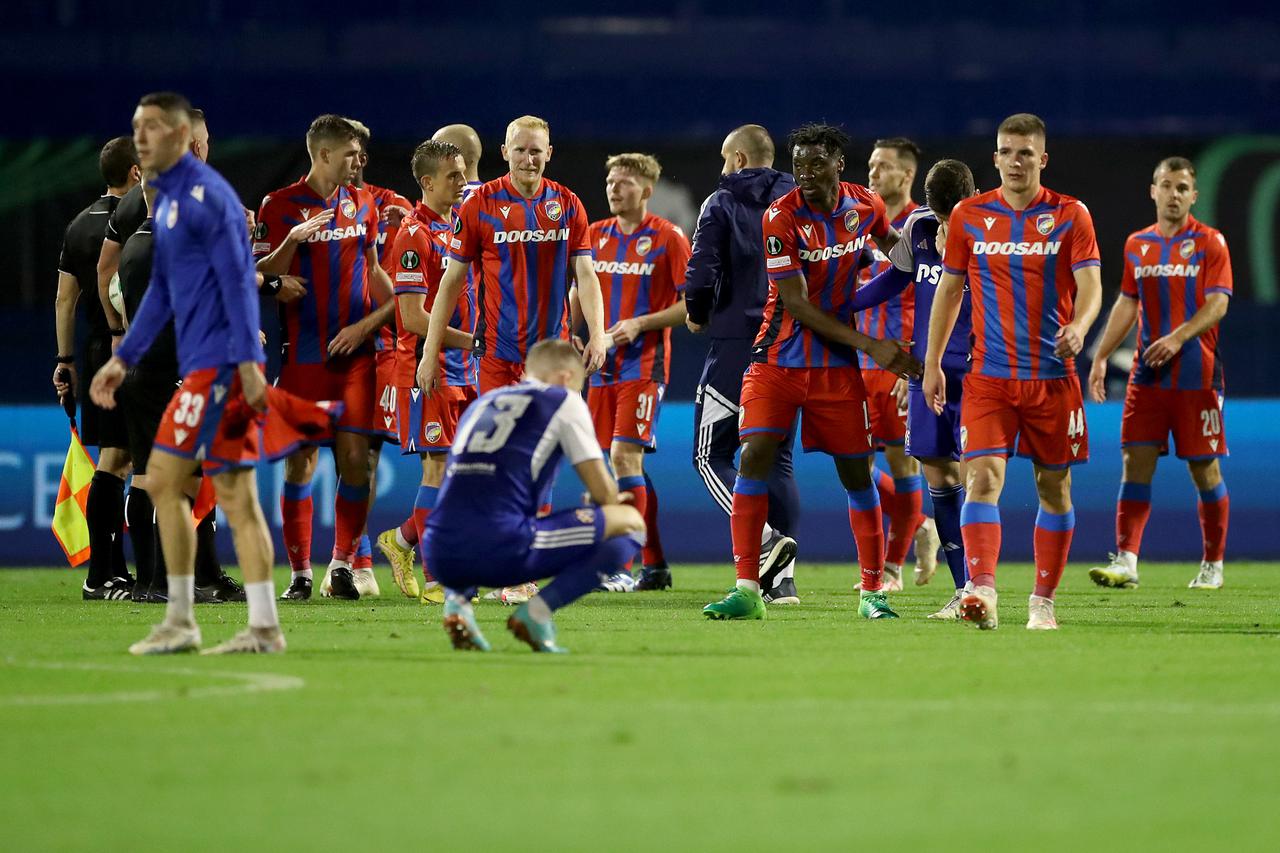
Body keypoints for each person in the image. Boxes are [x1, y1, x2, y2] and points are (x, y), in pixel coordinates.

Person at [90, 91, 283, 655]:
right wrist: (121, 357)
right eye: (136, 128)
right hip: (202, 369)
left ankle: (244, 625)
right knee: (169, 485)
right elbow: (163, 296)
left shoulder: (208, 199)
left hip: (221, 370)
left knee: (221, 495)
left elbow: (239, 282)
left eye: (151, 128)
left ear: (181, 136)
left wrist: (249, 366)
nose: (140, 138)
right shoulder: (167, 200)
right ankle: (188, 619)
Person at [702, 123, 920, 622]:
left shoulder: (865, 206)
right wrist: (871, 343)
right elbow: (797, 304)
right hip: (778, 357)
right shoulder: (781, 216)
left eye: (815, 163)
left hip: (835, 369)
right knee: (753, 455)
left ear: (838, 164)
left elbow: (897, 254)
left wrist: (918, 254)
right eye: (798, 164)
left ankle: (872, 593)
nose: (803, 173)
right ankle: (747, 590)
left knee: (857, 474)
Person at [416, 115, 609, 605]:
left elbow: (586, 275)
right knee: (494, 463)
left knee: (541, 460)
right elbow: (451, 283)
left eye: (537, 151)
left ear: (550, 152)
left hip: (552, 360)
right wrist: (430, 350)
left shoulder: (567, 204)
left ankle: (520, 567)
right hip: (498, 357)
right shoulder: (479, 204)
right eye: (520, 150)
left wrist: (599, 333)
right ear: (504, 152)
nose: (529, 158)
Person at [924, 113, 1102, 631]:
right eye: (1007, 151)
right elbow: (950, 291)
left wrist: (1081, 325)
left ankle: (1042, 601)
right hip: (989, 378)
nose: (1016, 161)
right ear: (995, 158)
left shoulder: (1071, 215)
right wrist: (932, 362)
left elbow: (1090, 283)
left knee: (1054, 489)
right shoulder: (969, 216)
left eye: (1026, 153)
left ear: (1042, 159)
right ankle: (981, 590)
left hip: (1052, 378)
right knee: (981, 479)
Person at [425, 339, 646, 654]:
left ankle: (457, 606)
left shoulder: (482, 404)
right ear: (566, 377)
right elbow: (604, 494)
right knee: (630, 523)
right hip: (501, 547)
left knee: (473, 511)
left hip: (439, 553)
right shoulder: (563, 401)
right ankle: (537, 613)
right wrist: (602, 502)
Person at [255, 115, 395, 601]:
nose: (359, 160)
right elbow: (260, 273)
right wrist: (292, 242)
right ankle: (298, 575)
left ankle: (340, 564)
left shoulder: (364, 203)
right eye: (352, 152)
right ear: (324, 154)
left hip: (356, 357)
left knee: (356, 463)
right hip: (304, 358)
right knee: (300, 463)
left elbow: (375, 271)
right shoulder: (279, 206)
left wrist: (383, 315)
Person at [1086, 157, 1232, 590]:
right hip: (1147, 376)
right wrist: (1100, 355)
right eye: (1166, 186)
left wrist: (1178, 337)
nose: (1174, 194)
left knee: (1204, 469)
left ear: (1193, 195)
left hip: (1196, 375)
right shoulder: (1138, 245)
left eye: (1182, 187)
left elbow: (1218, 303)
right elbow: (1127, 304)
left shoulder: (1210, 243)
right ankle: (1127, 561)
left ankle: (1213, 564)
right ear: (1153, 191)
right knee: (1135, 464)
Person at [849, 159, 978, 618]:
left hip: (979, 370)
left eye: (951, 217)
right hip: (927, 371)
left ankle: (984, 584)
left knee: (980, 479)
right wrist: (843, 303)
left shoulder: (987, 231)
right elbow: (895, 279)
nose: (945, 226)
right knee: (938, 476)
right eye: (941, 217)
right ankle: (965, 590)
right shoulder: (920, 227)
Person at [113, 177, 249, 605]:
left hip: (140, 372)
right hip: (171, 370)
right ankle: (165, 583)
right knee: (180, 481)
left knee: (148, 477)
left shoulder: (133, 243)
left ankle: (150, 583)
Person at [682, 124, 803, 603]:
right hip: (789, 342)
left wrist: (696, 312)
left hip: (736, 342)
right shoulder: (798, 202)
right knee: (777, 460)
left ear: (736, 159)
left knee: (710, 455)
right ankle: (783, 583)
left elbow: (701, 269)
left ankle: (767, 540)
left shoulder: (722, 201)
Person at [376, 123, 485, 595]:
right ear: (427, 183)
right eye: (454, 177)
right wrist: (474, 342)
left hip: (465, 369)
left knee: (461, 477)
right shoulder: (413, 235)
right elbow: (413, 318)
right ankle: (440, 577)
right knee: (437, 470)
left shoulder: (459, 227)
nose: (463, 183)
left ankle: (401, 540)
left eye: (463, 174)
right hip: (428, 368)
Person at [574, 153, 690, 591]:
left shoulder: (668, 238)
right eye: (609, 180)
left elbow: (691, 306)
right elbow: (577, 289)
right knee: (621, 467)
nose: (613, 188)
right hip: (600, 367)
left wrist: (641, 323)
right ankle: (655, 563)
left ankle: (619, 565)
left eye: (624, 182)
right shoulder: (594, 235)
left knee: (624, 457)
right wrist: (572, 332)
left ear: (646, 190)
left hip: (645, 365)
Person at [54, 136, 140, 599]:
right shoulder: (136, 221)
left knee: (122, 458)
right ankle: (101, 573)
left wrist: (64, 360)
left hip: (93, 351)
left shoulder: (78, 226)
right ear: (135, 173)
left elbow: (65, 299)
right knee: (119, 459)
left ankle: (117, 569)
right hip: (127, 347)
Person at [857, 138, 940, 590]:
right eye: (871, 165)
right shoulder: (856, 224)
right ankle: (920, 525)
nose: (872, 173)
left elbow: (937, 297)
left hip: (898, 362)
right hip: (857, 359)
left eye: (883, 166)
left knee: (903, 464)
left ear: (906, 175)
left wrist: (918, 360)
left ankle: (890, 568)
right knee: (851, 462)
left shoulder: (922, 227)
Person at [343, 118, 415, 589]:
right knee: (337, 458)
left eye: (350, 153)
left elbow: (409, 285)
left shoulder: (394, 208)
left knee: (366, 457)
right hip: (335, 350)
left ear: (362, 158)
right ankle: (342, 564)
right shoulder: (306, 209)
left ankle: (366, 556)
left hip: (389, 347)